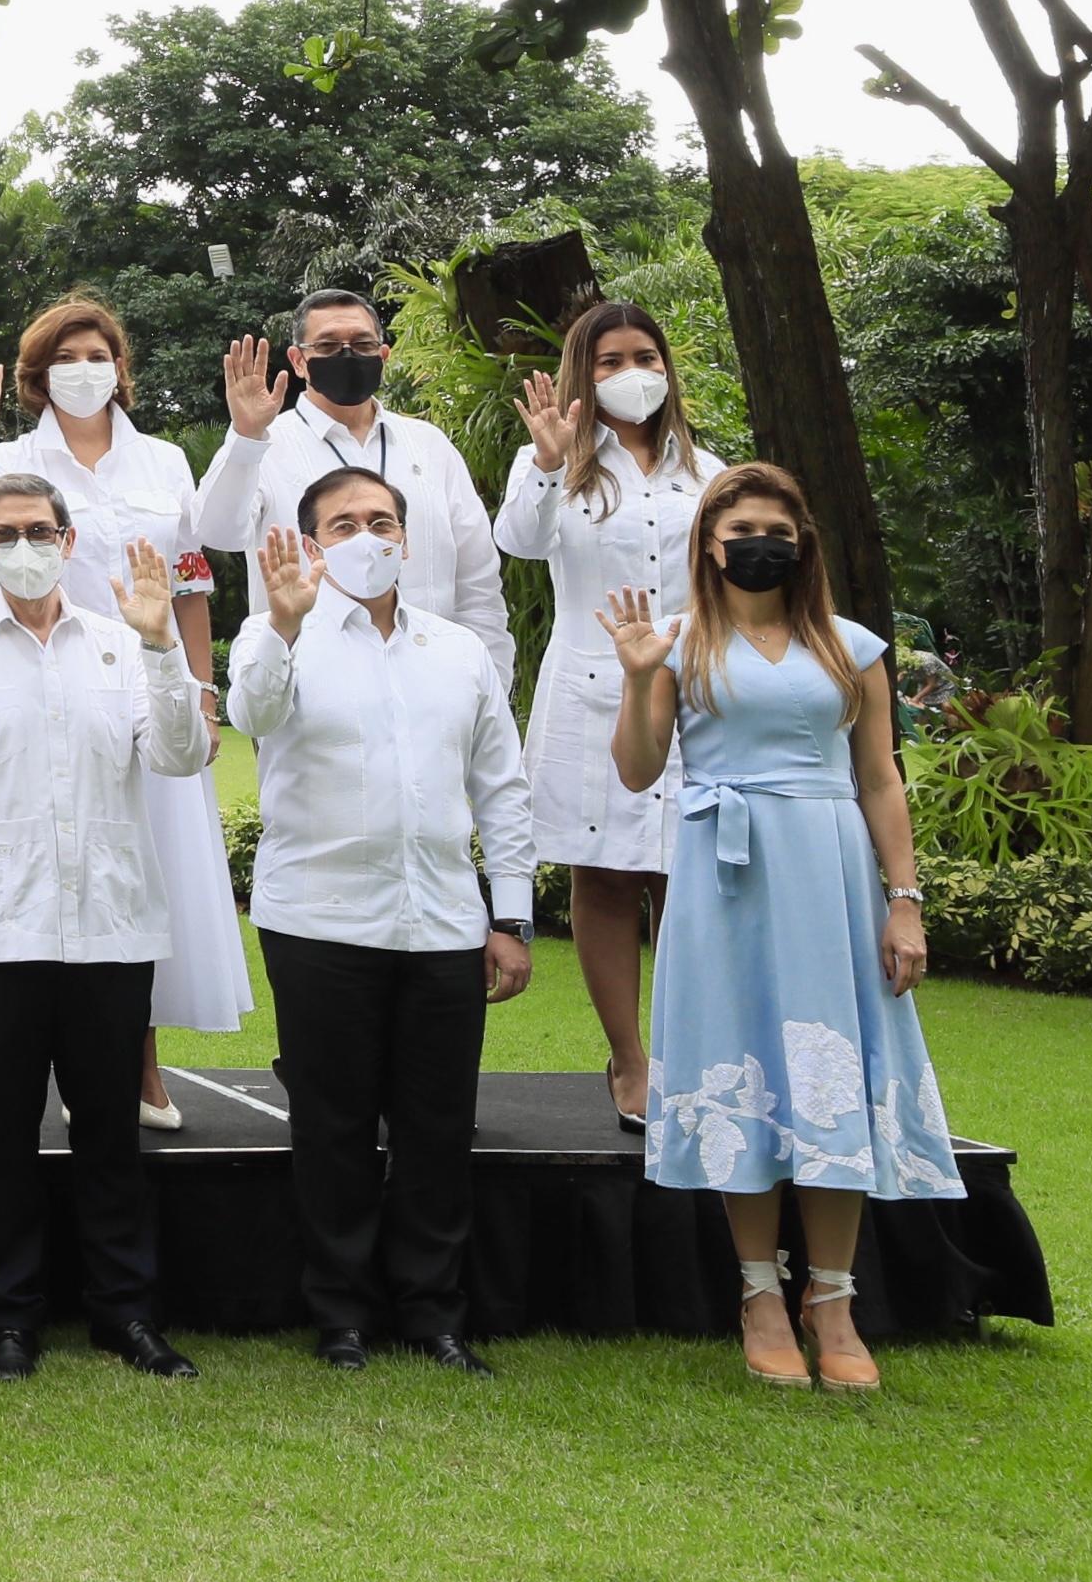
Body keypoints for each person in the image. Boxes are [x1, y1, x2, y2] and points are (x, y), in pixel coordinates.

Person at [605, 463, 965, 1395]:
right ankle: (760, 1295)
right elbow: (638, 771)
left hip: (829, 873)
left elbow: (880, 776)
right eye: (742, 532)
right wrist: (638, 680)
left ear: (802, 544)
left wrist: (904, 898)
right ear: (709, 545)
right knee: (744, 1064)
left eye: (778, 531)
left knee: (828, 1066)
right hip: (723, 879)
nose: (761, 545)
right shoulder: (676, 642)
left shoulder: (851, 645)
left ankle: (832, 1300)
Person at [0, 473, 212, 1381]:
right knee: (0, 1137)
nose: (24, 547)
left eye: (39, 530)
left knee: (111, 1134)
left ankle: (126, 1313)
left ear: (68, 542)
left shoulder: (122, 644)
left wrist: (163, 643)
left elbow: (182, 756)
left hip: (109, 930)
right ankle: (10, 1318)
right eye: (4, 533)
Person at [231, 472, 537, 1373]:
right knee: (332, 1130)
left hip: (442, 921)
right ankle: (341, 1316)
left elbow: (500, 784)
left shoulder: (457, 649)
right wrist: (284, 622)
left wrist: (511, 914)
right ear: (311, 544)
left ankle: (434, 1313)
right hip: (319, 920)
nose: (368, 536)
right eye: (344, 524)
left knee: (437, 1127)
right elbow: (251, 712)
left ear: (406, 537)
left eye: (382, 521)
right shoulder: (274, 634)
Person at [0, 301, 247, 1134]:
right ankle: (57, 1062)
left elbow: (190, 583)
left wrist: (201, 692)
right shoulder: (13, 457)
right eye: (66, 356)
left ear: (121, 366)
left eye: (98, 353)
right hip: (50, 689)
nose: (84, 368)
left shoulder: (164, 460)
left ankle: (138, 1066)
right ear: (37, 375)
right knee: (63, 861)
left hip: (152, 687)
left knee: (147, 875)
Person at [494, 298, 712, 1128]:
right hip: (592, 689)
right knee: (606, 871)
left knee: (685, 873)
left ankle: (694, 1052)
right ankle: (630, 1058)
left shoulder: (708, 471)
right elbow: (518, 539)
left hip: (693, 691)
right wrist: (550, 462)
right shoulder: (552, 464)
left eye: (645, 357)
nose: (632, 374)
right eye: (611, 360)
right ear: (583, 373)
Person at [194, 288, 509, 687]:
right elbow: (216, 532)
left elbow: (478, 582)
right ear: (298, 360)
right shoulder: (265, 444)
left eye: (362, 344)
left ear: (383, 355)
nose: (347, 355)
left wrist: (490, 681)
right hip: (312, 686)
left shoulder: (428, 445)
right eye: (327, 346)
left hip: (435, 680)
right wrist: (246, 437)